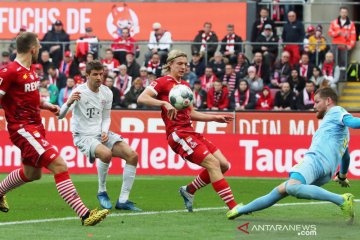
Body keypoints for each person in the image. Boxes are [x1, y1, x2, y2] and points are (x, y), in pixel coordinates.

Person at [0, 32, 109, 226]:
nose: (40, 50)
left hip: (35, 126)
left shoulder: (30, 70)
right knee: (59, 165)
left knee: (33, 173)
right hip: (23, 129)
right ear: (33, 49)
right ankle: (85, 215)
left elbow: (28, 98)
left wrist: (46, 105)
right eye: (39, 47)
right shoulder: (9, 72)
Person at [227, 87, 356, 225]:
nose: (314, 106)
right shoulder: (342, 133)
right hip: (326, 172)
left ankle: (341, 200)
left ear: (328, 101)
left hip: (315, 160)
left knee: (292, 187)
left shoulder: (336, 111)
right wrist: (342, 176)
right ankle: (242, 209)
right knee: (280, 190)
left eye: (317, 102)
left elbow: (354, 122)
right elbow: (346, 157)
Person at [137, 49, 238, 214]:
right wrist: (164, 104)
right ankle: (234, 208)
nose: (183, 67)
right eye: (180, 64)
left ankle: (189, 189)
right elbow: (142, 98)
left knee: (223, 165)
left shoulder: (184, 86)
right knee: (213, 164)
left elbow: (191, 113)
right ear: (170, 64)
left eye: (186, 64)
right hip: (177, 134)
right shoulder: (162, 82)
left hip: (189, 131)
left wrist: (214, 118)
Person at [58, 60, 142, 211]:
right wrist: (69, 102)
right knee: (106, 154)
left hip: (100, 133)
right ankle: (102, 191)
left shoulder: (107, 92)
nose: (99, 77)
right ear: (87, 75)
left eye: (101, 74)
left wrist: (104, 131)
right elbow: (60, 116)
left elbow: (106, 117)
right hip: (83, 136)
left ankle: (123, 200)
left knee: (132, 155)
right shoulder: (79, 91)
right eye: (95, 74)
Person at [328, 6, 356, 71]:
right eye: (342, 12)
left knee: (343, 63)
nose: (343, 13)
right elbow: (330, 33)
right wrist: (337, 33)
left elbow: (353, 35)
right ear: (340, 13)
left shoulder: (351, 24)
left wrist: (350, 45)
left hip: (345, 45)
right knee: (334, 61)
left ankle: (343, 78)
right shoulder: (334, 22)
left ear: (347, 13)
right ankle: (334, 76)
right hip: (335, 45)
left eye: (345, 12)